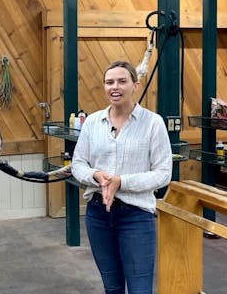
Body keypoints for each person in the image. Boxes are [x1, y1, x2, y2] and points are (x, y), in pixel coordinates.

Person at [71, 60, 172, 294]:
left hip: (135, 216)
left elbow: (163, 173)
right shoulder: (93, 122)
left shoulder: (152, 123)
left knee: (140, 288)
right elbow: (77, 164)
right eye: (109, 82)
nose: (114, 87)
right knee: (112, 286)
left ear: (135, 85)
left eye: (122, 81)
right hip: (98, 215)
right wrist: (96, 175)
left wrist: (122, 182)